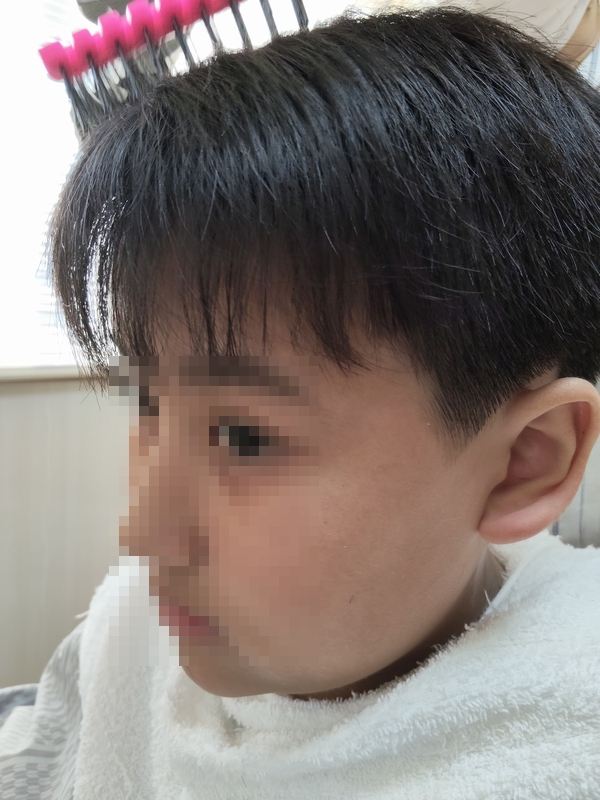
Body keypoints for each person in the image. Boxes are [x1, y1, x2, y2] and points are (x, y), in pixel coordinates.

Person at [2, 6, 600, 798]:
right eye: (147, 400)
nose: (142, 535)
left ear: (523, 463)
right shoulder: (133, 632)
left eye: (244, 438)